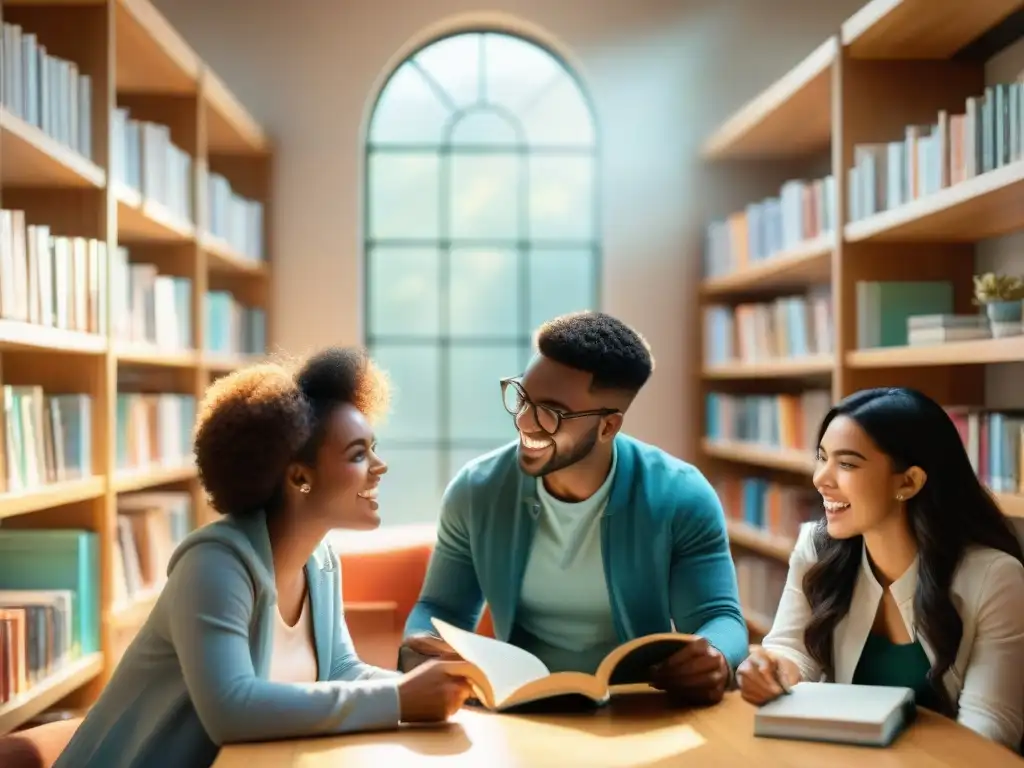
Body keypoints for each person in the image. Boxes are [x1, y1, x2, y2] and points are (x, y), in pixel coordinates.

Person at [55, 348, 473, 768]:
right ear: (299, 478)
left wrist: (435, 688)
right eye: (358, 454)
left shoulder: (321, 561)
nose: (379, 467)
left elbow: (343, 670)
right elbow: (231, 709)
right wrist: (400, 699)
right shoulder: (213, 565)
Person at [400, 311, 748, 704]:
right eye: (523, 397)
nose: (525, 422)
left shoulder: (682, 496)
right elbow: (440, 607)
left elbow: (720, 617)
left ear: (607, 427)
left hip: (639, 707)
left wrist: (716, 655)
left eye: (552, 413)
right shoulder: (475, 489)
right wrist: (422, 645)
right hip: (519, 707)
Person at [736, 387, 1024, 751]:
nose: (821, 479)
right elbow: (792, 649)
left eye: (847, 463)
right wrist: (773, 668)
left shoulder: (996, 578)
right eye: (822, 458)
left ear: (909, 481)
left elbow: (990, 731)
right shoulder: (816, 547)